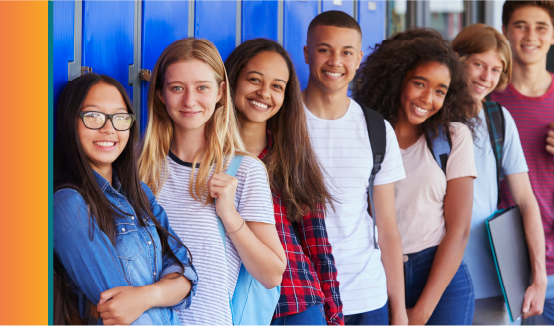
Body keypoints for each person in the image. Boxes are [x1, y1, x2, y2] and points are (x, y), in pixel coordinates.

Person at [136, 37, 286, 326]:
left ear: (220, 92)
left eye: (202, 87)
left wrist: (229, 216)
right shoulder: (138, 169)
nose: (190, 100)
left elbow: (271, 275)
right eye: (177, 88)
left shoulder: (245, 171)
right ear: (159, 94)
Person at [354, 28, 479, 326]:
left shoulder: (452, 138)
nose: (427, 98)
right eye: (419, 83)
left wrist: (423, 311)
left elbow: (458, 231)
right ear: (397, 80)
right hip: (376, 273)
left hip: (438, 278)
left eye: (440, 90)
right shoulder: (363, 132)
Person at [53, 73, 198, 326]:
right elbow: (117, 309)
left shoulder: (140, 194)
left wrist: (146, 296)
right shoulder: (69, 204)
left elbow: (186, 274)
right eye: (93, 116)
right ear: (69, 122)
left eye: (120, 117)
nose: (109, 128)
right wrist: (164, 291)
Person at [226, 38, 344, 326]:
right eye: (254, 79)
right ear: (231, 81)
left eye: (277, 86)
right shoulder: (205, 157)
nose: (264, 93)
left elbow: (317, 245)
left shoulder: (291, 157)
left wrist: (335, 315)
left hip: (295, 304)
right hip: (230, 307)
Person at [300, 10, 408, 326]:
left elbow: (387, 228)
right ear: (307, 53)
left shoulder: (377, 128)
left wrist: (398, 310)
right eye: (324, 50)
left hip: (368, 298)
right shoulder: (281, 123)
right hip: (304, 300)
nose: (336, 61)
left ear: (358, 58)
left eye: (346, 52)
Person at [491, 1, 554, 325]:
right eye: (520, 25)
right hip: (498, 262)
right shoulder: (488, 100)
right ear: (505, 31)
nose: (530, 35)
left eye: (541, 27)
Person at [450, 23, 548, 326]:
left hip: (493, 276)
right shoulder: (431, 114)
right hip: (439, 276)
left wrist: (539, 276)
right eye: (478, 64)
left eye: (495, 70)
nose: (486, 78)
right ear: (457, 60)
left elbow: (527, 201)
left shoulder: (499, 120)